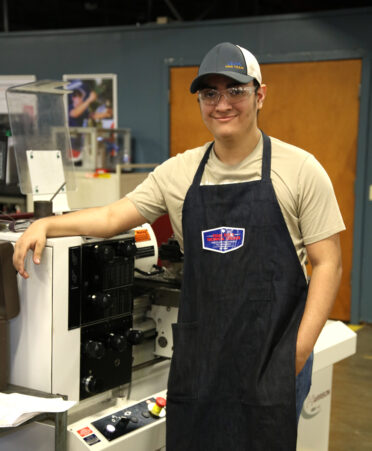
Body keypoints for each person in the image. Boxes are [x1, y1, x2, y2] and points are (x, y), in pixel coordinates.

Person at [13, 42, 344, 450]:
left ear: (260, 95)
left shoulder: (301, 170)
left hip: (271, 359)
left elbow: (328, 263)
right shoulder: (179, 172)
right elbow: (114, 217)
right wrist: (47, 223)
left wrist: (297, 352)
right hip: (203, 360)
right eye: (210, 93)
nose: (222, 104)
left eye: (235, 90)